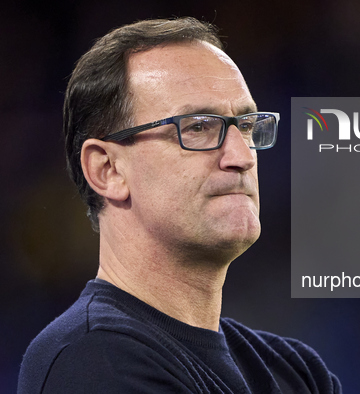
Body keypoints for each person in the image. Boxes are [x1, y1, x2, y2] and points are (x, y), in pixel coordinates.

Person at [18, 17, 341, 394]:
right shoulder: (91, 360)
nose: (242, 156)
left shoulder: (296, 372)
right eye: (198, 127)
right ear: (107, 170)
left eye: (247, 126)